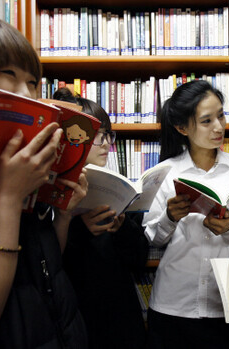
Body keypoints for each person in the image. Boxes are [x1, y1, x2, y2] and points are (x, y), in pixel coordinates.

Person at [0, 16, 89, 348]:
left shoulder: (30, 159)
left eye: (34, 82)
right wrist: (9, 197)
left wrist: (65, 213)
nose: (28, 93)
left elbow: (49, 260)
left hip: (60, 328)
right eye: (9, 74)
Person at [142, 80, 229, 349]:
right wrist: (169, 218)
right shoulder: (166, 172)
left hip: (223, 304)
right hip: (173, 303)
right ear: (182, 128)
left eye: (221, 115)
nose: (219, 127)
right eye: (207, 120)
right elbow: (153, 237)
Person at [54, 87, 149, 349]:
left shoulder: (118, 189)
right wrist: (80, 229)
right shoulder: (50, 191)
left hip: (122, 319)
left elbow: (139, 258)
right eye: (96, 135)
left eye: (107, 134)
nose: (106, 143)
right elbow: (53, 264)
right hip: (80, 318)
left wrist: (121, 228)